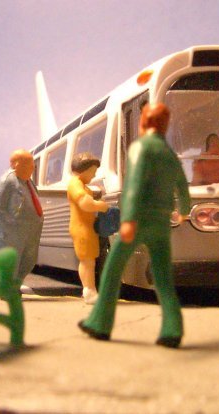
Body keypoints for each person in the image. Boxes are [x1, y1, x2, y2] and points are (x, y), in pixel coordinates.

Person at [78, 103, 190, 348]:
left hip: (138, 221)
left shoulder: (140, 148)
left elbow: (134, 186)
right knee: (162, 277)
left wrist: (127, 219)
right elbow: (182, 186)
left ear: (144, 122)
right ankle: (173, 328)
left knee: (112, 269)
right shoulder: (169, 154)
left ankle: (100, 323)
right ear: (165, 125)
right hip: (161, 224)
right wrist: (184, 211)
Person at [0, 149, 44, 290]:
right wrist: (10, 227)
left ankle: (15, 286)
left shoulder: (28, 181)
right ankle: (7, 290)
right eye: (28, 163)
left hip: (31, 230)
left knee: (29, 260)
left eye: (32, 163)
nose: (32, 167)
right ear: (16, 164)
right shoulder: (7, 181)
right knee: (11, 262)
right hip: (13, 232)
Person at [67, 153, 109, 304]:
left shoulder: (81, 184)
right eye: (93, 171)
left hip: (87, 226)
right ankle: (89, 291)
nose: (94, 175)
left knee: (89, 260)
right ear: (84, 170)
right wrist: (101, 206)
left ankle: (90, 290)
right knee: (87, 261)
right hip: (81, 227)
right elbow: (85, 204)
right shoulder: (75, 184)